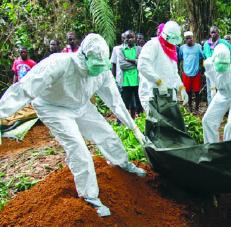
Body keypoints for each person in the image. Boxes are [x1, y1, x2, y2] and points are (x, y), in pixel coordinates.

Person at [0, 34, 147, 217]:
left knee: (107, 134)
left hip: (81, 105)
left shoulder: (101, 71)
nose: (98, 70)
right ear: (83, 56)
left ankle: (122, 163)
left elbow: (115, 101)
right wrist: (2, 113)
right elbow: (25, 88)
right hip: (53, 108)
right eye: (95, 65)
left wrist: (133, 127)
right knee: (78, 148)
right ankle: (90, 196)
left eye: (102, 66)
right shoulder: (59, 63)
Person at [137, 21, 188, 113]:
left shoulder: (172, 49)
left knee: (168, 122)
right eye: (171, 38)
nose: (173, 41)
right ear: (165, 34)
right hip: (152, 91)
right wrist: (158, 82)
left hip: (168, 93)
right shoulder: (153, 45)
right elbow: (142, 65)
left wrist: (181, 88)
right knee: (156, 121)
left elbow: (173, 72)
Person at [202, 44, 231, 143]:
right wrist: (213, 88)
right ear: (214, 60)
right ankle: (212, 148)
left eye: (225, 63)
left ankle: (228, 150)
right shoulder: (208, 63)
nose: (222, 66)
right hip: (222, 92)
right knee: (208, 120)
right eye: (219, 63)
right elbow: (211, 74)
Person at [203, 26, 231, 105]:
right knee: (210, 91)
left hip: (220, 71)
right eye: (211, 32)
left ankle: (220, 109)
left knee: (220, 91)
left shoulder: (223, 43)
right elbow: (204, 56)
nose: (213, 34)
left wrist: (226, 61)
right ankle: (211, 110)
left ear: (218, 33)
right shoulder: (206, 44)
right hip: (210, 72)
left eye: (215, 32)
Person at [178, 31, 204, 113]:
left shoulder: (198, 47)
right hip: (186, 72)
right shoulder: (182, 48)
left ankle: (196, 107)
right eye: (187, 38)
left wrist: (198, 65)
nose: (188, 39)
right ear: (184, 39)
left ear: (193, 38)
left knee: (197, 91)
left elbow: (202, 57)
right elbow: (180, 58)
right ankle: (190, 107)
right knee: (188, 91)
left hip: (196, 72)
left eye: (190, 38)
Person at [119, 30, 143, 119]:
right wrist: (135, 63)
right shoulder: (121, 50)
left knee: (139, 102)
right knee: (125, 103)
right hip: (126, 81)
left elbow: (141, 62)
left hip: (137, 80)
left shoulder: (139, 49)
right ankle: (123, 121)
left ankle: (141, 119)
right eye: (127, 38)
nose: (130, 40)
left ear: (135, 38)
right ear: (124, 39)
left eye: (132, 37)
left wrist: (129, 60)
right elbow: (122, 64)